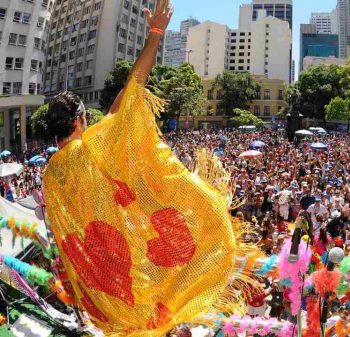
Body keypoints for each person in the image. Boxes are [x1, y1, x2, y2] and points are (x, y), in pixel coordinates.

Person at [40, 1, 261, 336]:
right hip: (132, 273)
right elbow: (134, 87)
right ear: (79, 120)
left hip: (103, 292)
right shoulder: (92, 147)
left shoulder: (50, 176)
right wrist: (156, 34)